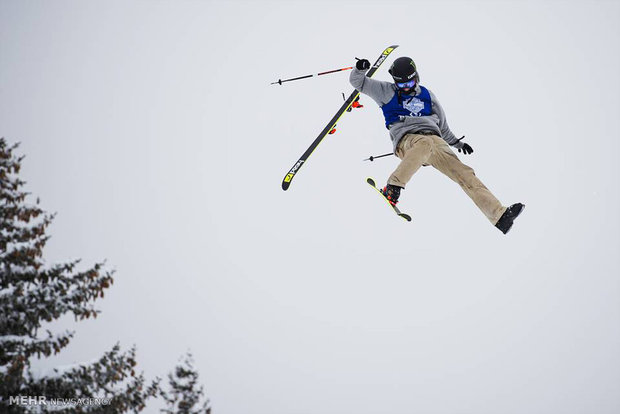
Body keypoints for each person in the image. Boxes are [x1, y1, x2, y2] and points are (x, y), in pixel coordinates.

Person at [351, 56, 524, 234]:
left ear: (416, 76)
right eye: (401, 85)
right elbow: (358, 83)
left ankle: (499, 216)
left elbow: (442, 126)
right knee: (424, 143)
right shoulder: (386, 91)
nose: (406, 87)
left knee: (464, 172)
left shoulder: (427, 95)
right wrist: (360, 69)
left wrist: (458, 143)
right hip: (407, 141)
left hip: (435, 141)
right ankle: (393, 186)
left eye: (410, 82)